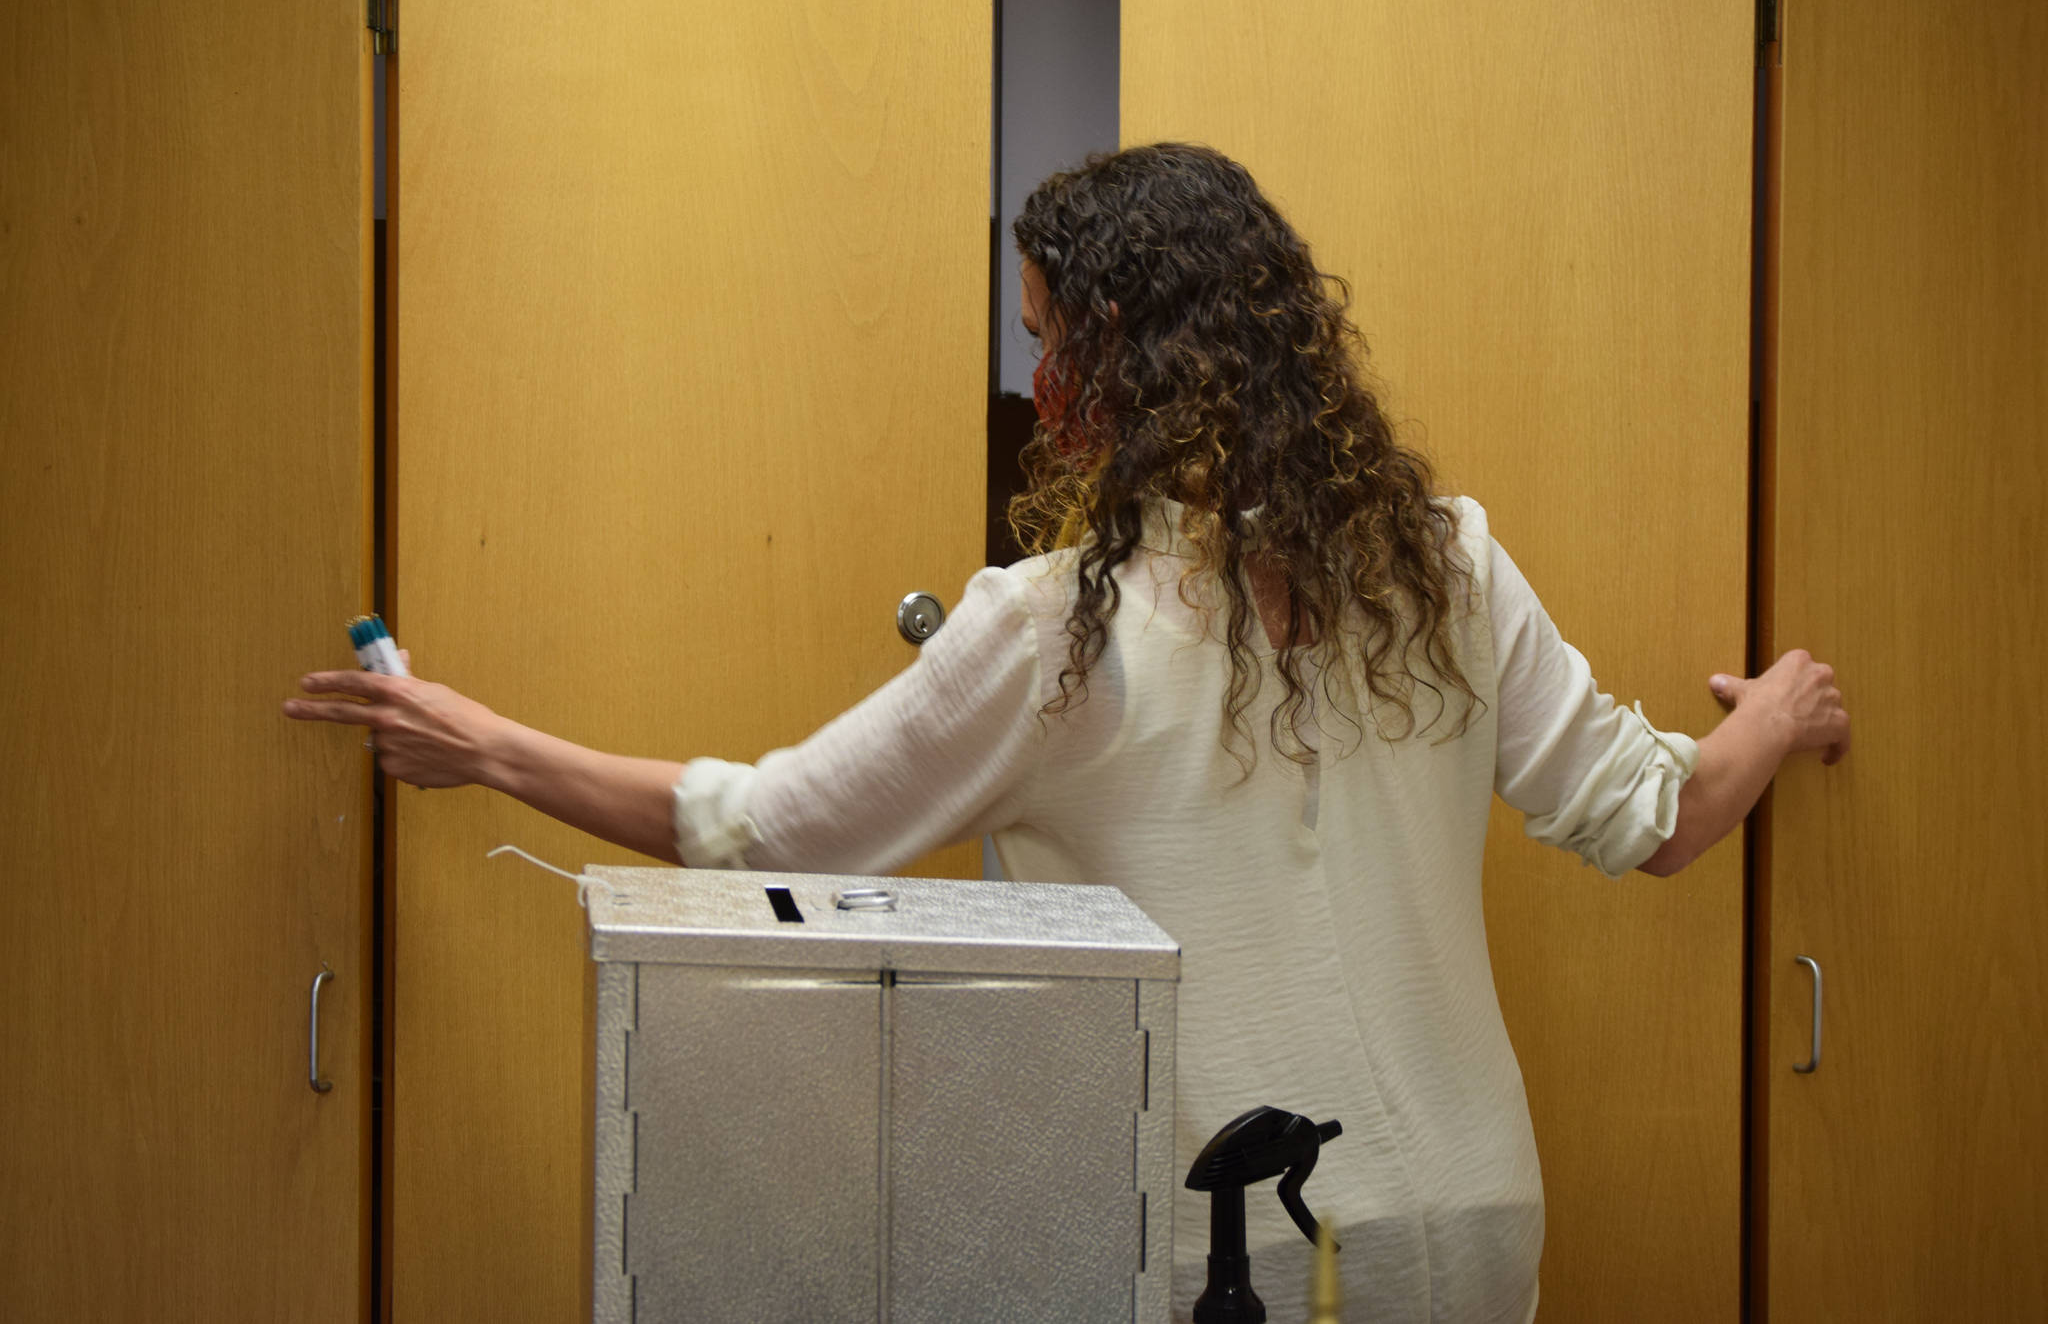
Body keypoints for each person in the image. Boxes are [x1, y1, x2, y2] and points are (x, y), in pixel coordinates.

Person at [285, 143, 1849, 1324]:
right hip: (1478, 1229)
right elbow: (1662, 815)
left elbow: (767, 829)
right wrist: (1780, 706)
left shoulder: (1058, 628)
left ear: (1137, 361)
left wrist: (483, 742)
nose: (1037, 388)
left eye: (1052, 340)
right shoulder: (1441, 558)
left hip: (1226, 1252)